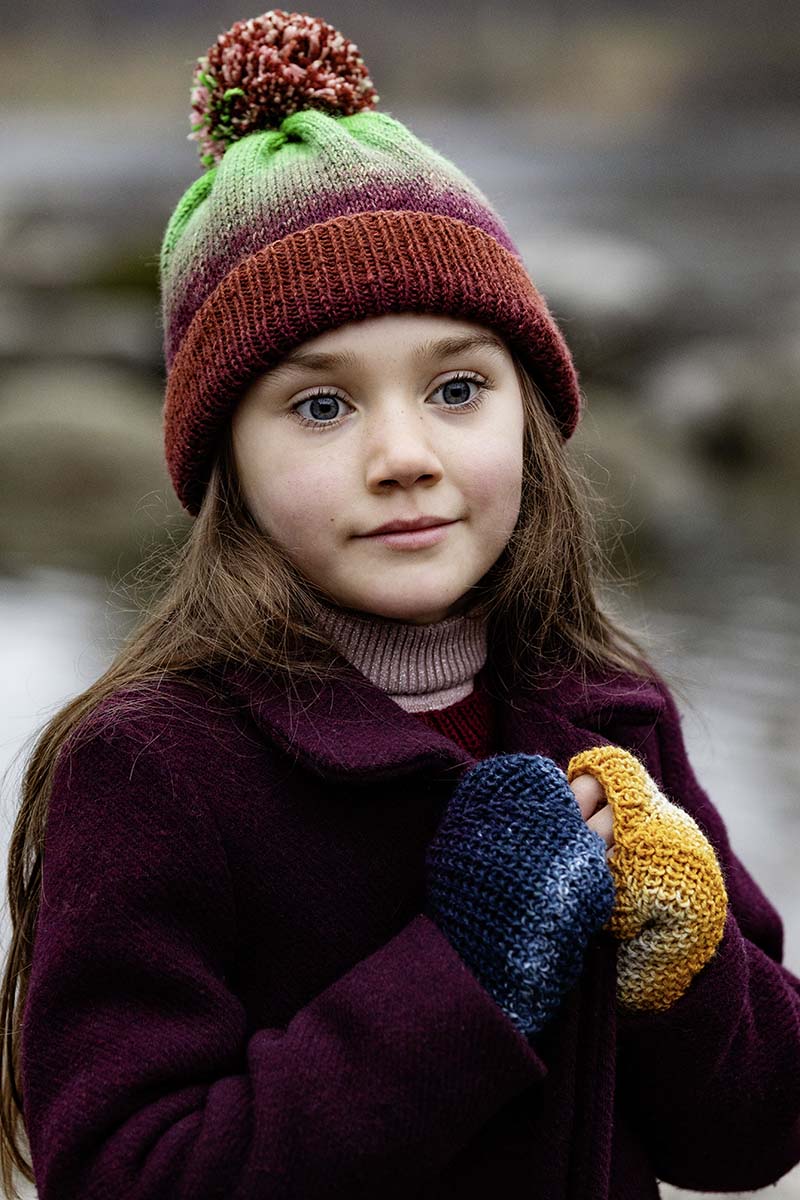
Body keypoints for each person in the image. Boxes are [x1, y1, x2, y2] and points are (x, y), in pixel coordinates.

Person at [2, 9, 798, 1199]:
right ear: (226, 461)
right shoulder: (153, 770)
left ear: (528, 414)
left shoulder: (610, 715)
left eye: (457, 388)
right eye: (320, 406)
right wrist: (461, 977)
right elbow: (124, 1170)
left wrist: (686, 962)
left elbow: (750, 1138)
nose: (404, 457)